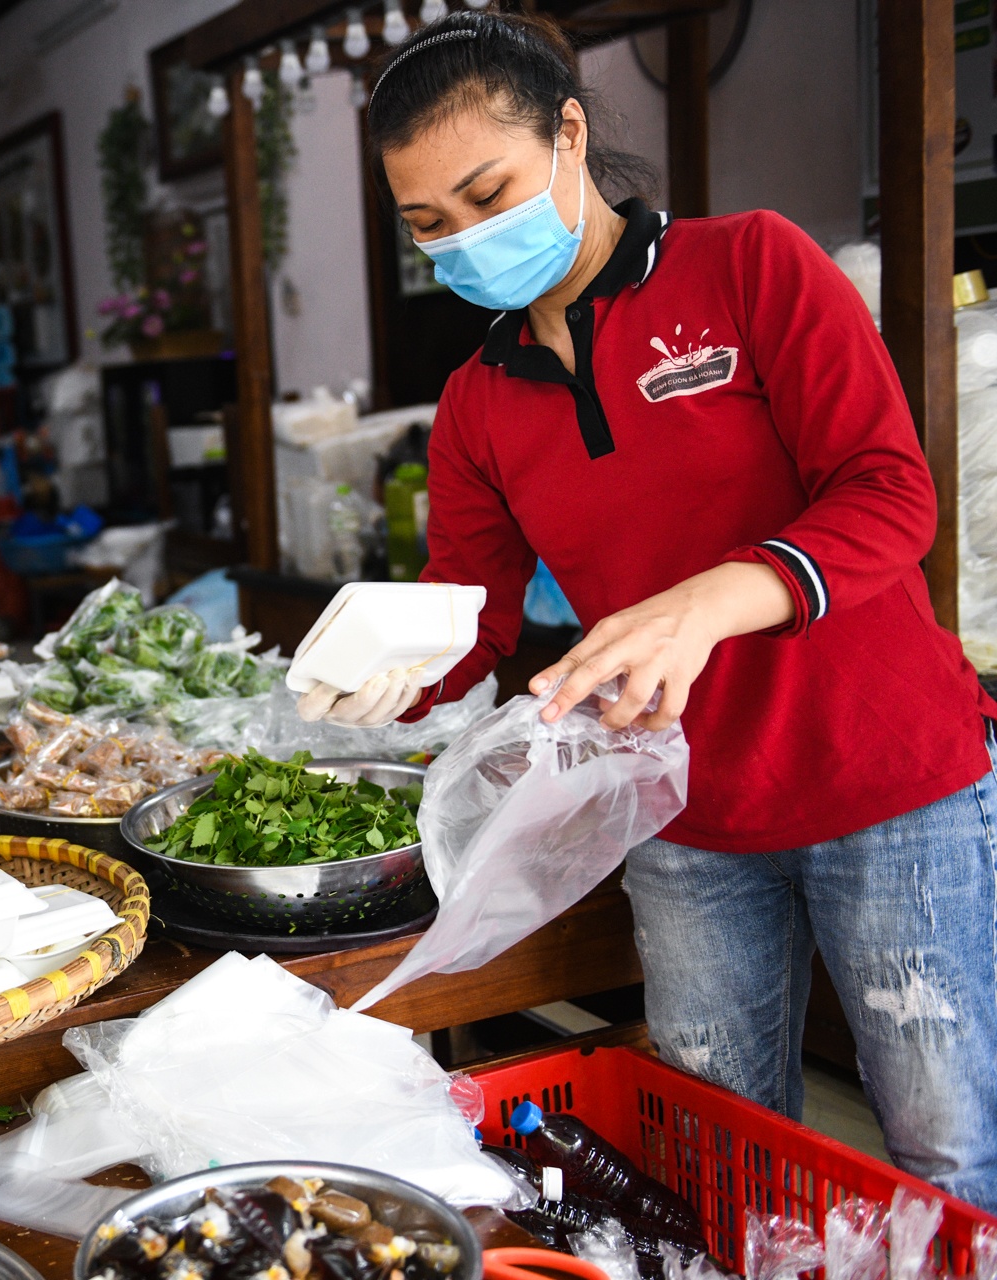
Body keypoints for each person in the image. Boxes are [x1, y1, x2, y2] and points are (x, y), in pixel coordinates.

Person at [301, 10, 997, 1208]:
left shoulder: (752, 266)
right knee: (719, 1149)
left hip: (889, 781)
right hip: (679, 812)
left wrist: (709, 601)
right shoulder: (477, 401)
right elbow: (472, 613)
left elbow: (891, 496)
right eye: (430, 224)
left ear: (569, 134)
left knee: (947, 1150)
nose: (465, 238)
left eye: (488, 193)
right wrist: (381, 665)